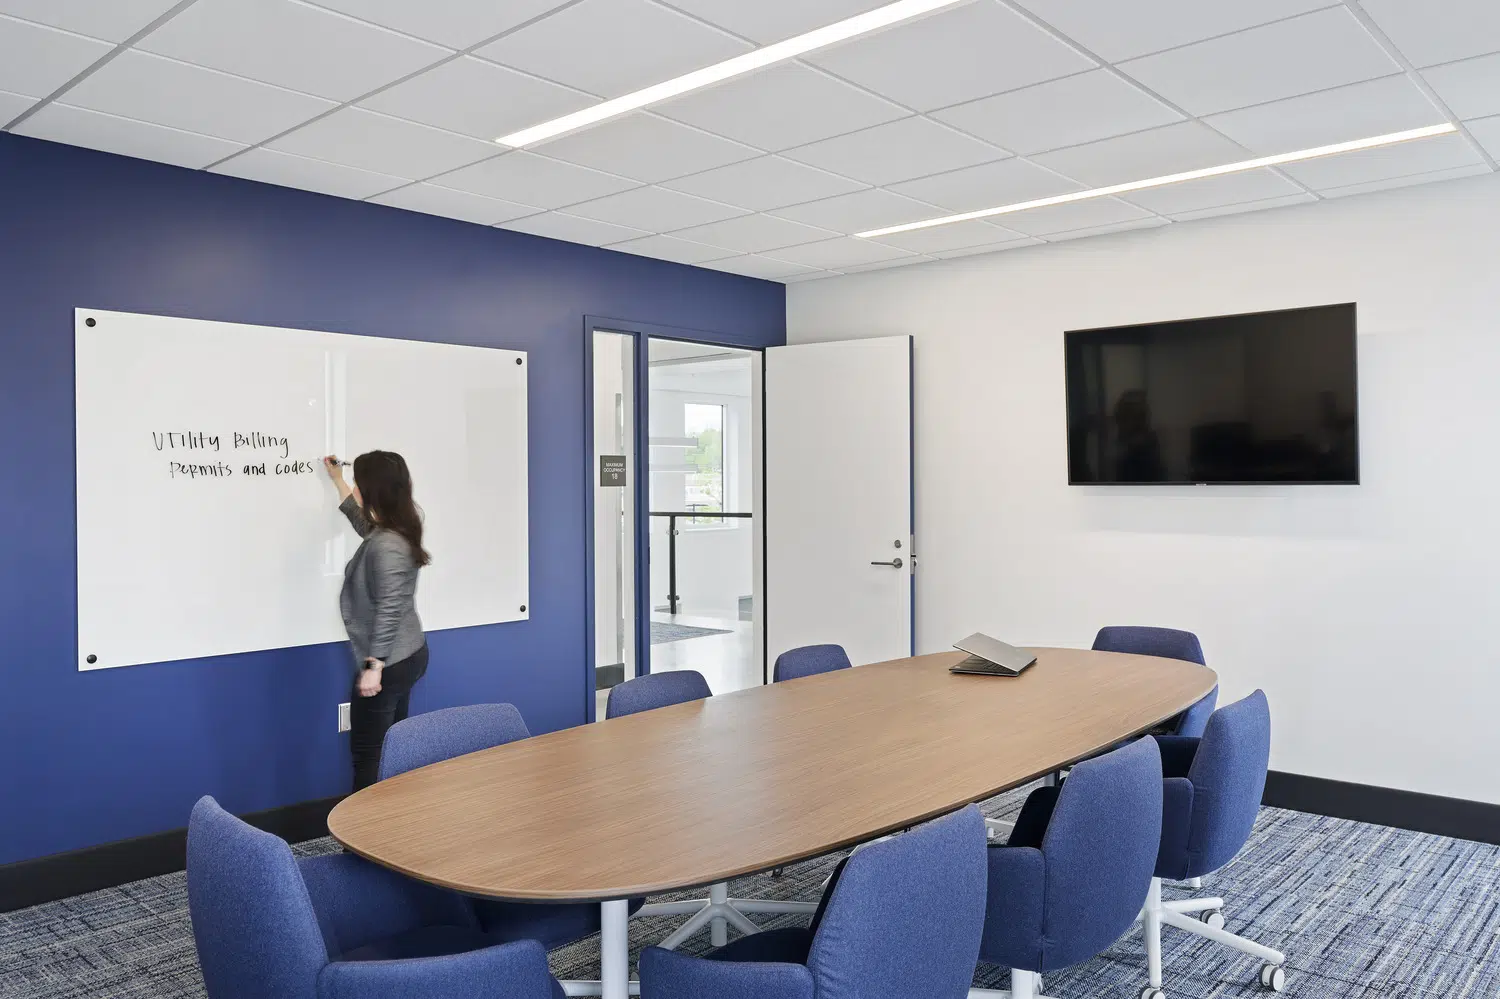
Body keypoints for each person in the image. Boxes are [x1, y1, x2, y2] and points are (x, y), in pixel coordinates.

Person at [323, 451, 430, 791]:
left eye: (358, 483)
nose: (355, 488)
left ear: (374, 490)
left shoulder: (388, 544)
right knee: (389, 746)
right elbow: (363, 525)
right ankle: (391, 813)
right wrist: (338, 480)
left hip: (391, 661)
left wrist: (374, 666)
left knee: (369, 754)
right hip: (405, 654)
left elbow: (390, 607)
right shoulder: (393, 528)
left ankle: (365, 822)